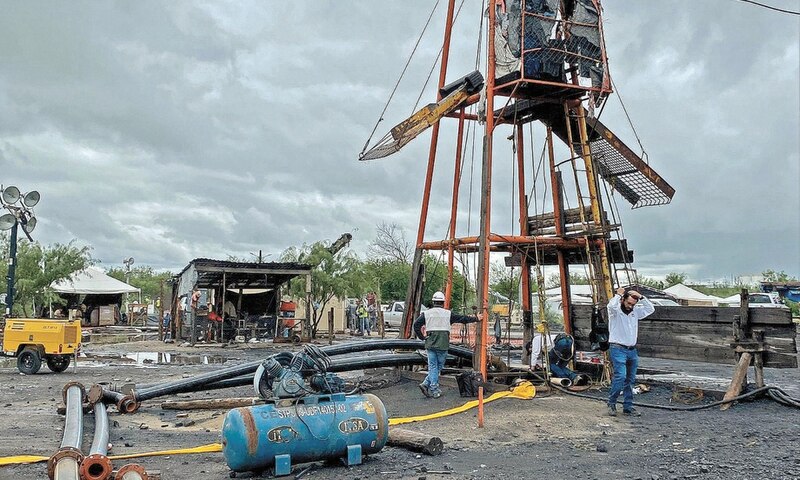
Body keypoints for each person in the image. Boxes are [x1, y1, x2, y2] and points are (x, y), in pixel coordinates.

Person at [413, 291, 478, 399]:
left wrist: (422, 337)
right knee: (438, 367)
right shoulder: (448, 314)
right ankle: (434, 389)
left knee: (433, 367)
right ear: (443, 303)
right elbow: (463, 319)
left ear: (433, 302)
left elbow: (416, 325)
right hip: (442, 344)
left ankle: (425, 384)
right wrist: (476, 318)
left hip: (430, 343)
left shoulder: (426, 313)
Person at [606, 287, 654, 417]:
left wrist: (642, 297)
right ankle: (612, 402)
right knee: (620, 376)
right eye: (628, 303)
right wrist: (618, 295)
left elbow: (651, 309)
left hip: (631, 349)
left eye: (633, 304)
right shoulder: (615, 312)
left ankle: (627, 406)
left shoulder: (635, 312)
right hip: (618, 348)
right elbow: (611, 306)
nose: (630, 306)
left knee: (630, 379)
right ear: (623, 300)